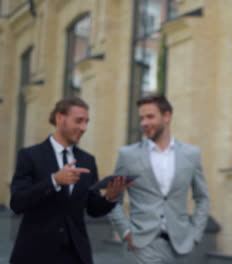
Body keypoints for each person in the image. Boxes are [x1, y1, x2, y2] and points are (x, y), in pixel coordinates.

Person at [9, 97, 130, 264]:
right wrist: (54, 181)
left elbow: (93, 209)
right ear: (60, 118)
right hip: (35, 254)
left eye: (86, 122)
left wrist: (110, 197)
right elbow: (17, 202)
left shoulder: (87, 160)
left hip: (75, 255)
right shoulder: (30, 156)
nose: (83, 128)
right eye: (79, 121)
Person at [108, 94, 210, 264]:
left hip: (180, 247)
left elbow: (202, 198)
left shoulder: (191, 154)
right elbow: (112, 199)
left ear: (167, 116)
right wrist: (125, 232)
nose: (144, 123)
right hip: (141, 246)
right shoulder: (127, 155)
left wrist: (195, 235)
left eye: (150, 117)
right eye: (141, 118)